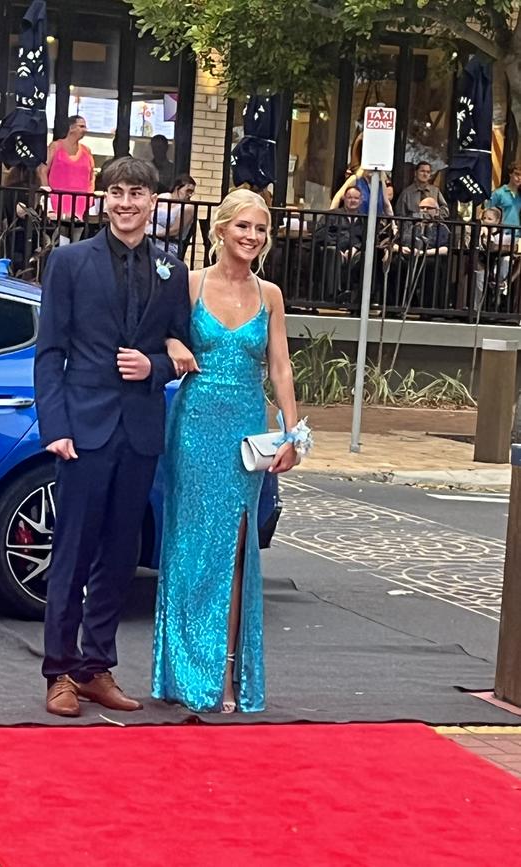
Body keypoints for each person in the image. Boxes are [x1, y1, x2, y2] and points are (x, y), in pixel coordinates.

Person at [34, 157, 191, 718]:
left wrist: (157, 368)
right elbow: (50, 352)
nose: (127, 203)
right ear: (104, 200)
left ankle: (96, 667)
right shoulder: (70, 263)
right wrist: (56, 427)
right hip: (84, 429)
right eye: (118, 193)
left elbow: (182, 350)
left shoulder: (172, 270)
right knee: (72, 552)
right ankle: (59, 672)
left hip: (141, 431)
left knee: (121, 557)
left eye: (138, 194)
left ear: (154, 202)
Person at [152, 188, 300, 714]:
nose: (252, 237)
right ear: (221, 231)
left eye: (261, 230)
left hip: (245, 432)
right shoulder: (190, 286)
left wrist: (292, 432)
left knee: (236, 554)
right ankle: (186, 671)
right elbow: (160, 339)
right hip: (193, 428)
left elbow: (280, 367)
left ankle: (226, 674)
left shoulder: (271, 295)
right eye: (243, 227)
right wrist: (173, 345)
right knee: (193, 547)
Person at [391, 196, 449, 308]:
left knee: (431, 265)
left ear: (436, 211)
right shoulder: (410, 225)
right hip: (409, 255)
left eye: (429, 208)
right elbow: (395, 243)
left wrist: (424, 253)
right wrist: (402, 249)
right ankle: (398, 304)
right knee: (396, 263)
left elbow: (445, 248)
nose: (425, 211)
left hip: (429, 256)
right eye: (422, 208)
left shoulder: (442, 227)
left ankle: (427, 306)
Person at [313, 185, 365, 303]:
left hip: (355, 253)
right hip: (334, 250)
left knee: (365, 257)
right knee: (332, 252)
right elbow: (320, 234)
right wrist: (337, 247)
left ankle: (357, 297)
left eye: (356, 198)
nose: (352, 200)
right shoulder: (332, 215)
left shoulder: (364, 219)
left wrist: (355, 248)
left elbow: (367, 239)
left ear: (361, 200)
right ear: (344, 199)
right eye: (349, 197)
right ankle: (335, 295)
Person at [39, 115, 95, 221]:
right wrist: (48, 195)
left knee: (78, 232)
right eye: (81, 126)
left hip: (81, 202)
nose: (85, 130)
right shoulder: (55, 146)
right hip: (57, 200)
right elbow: (43, 171)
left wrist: (90, 197)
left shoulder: (86, 151)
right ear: (71, 128)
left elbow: (92, 177)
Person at [147, 173, 196, 258]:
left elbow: (175, 230)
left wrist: (152, 233)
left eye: (192, 192)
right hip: (148, 239)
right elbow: (147, 215)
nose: (190, 195)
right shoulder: (163, 197)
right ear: (177, 188)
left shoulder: (188, 207)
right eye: (188, 191)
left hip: (168, 244)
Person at [488, 161, 521, 229]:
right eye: (517, 174)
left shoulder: (520, 194)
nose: (519, 178)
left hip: (517, 234)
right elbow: (486, 211)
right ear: (510, 174)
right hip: (502, 234)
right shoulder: (499, 193)